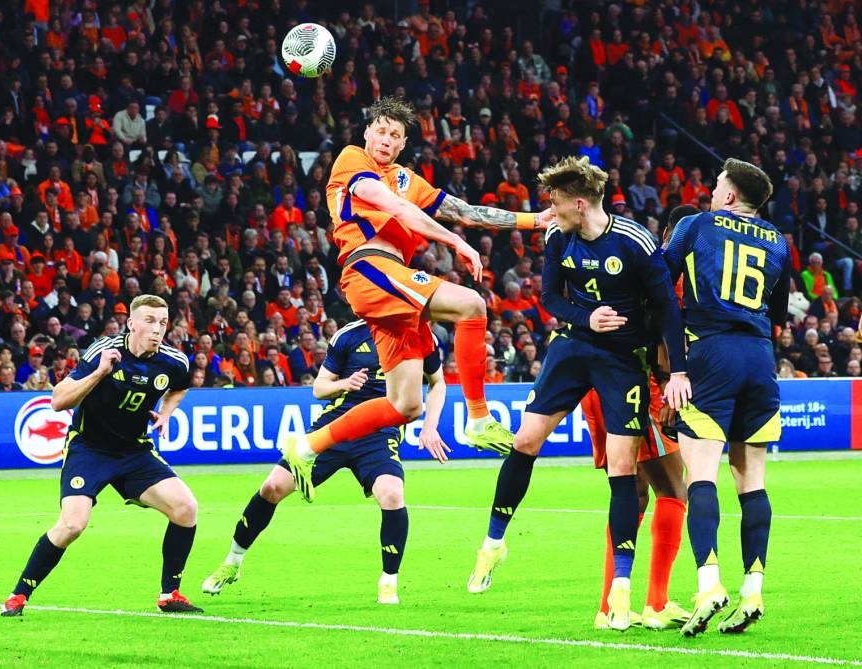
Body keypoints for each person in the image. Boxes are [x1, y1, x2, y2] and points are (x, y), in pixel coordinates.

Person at [281, 95, 551, 502]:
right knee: (472, 305)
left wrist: (535, 220)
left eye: (396, 135)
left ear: (404, 143)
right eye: (381, 131)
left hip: (392, 289)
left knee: (406, 406)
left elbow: (465, 210)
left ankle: (306, 447)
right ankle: (478, 418)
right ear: (367, 131)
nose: (386, 140)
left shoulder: (408, 179)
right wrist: (457, 243)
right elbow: (398, 211)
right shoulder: (352, 160)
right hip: (370, 268)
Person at [466, 156, 690, 633]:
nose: (549, 211)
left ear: (581, 204)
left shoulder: (634, 243)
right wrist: (585, 318)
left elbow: (667, 309)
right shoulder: (556, 237)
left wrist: (678, 370)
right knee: (525, 440)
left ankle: (622, 592)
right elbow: (549, 297)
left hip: (623, 360)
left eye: (555, 203)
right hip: (573, 346)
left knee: (626, 471)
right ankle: (494, 541)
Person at [201, 320, 448, 604]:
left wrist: (431, 426)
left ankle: (389, 582)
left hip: (379, 432)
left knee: (392, 493)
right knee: (272, 487)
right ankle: (232, 562)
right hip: (336, 423)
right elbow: (319, 388)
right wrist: (346, 383)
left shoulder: (417, 332)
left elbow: (437, 381)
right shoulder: (349, 335)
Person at [0, 295, 201, 617]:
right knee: (73, 525)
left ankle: (170, 594)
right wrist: (99, 374)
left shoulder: (174, 361)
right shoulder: (104, 352)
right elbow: (58, 401)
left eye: (162, 322)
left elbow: (180, 387)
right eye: (149, 321)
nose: (157, 329)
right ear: (131, 323)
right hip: (89, 449)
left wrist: (166, 412)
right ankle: (18, 596)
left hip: (134, 451)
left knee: (186, 508)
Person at [663, 158, 791, 636]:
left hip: (710, 354)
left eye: (717, 185)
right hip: (760, 357)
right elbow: (776, 309)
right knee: (752, 480)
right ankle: (753, 589)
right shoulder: (779, 240)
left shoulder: (697, 224)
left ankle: (708, 584)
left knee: (701, 474)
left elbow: (661, 283)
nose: (712, 191)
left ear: (731, 196)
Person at [585, 205, 700, 631]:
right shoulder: (665, 270)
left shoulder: (636, 261)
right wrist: (671, 383)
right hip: (637, 386)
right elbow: (660, 328)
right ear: (675, 234)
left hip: (601, 381)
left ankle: (607, 607)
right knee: (675, 489)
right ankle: (656, 602)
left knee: (631, 495)